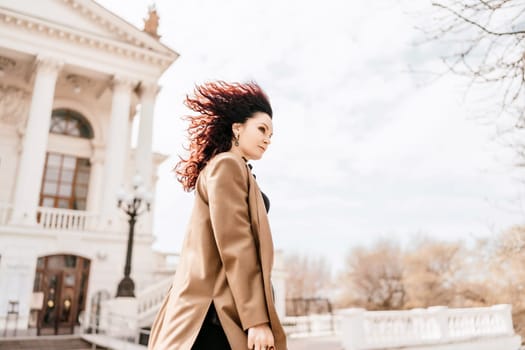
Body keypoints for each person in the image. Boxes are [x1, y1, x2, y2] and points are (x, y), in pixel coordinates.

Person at [148, 81, 287, 350]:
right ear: (237, 128)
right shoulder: (226, 165)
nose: (268, 138)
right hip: (214, 315)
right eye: (261, 129)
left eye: (271, 134)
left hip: (219, 312)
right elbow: (236, 244)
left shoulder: (236, 169)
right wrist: (256, 319)